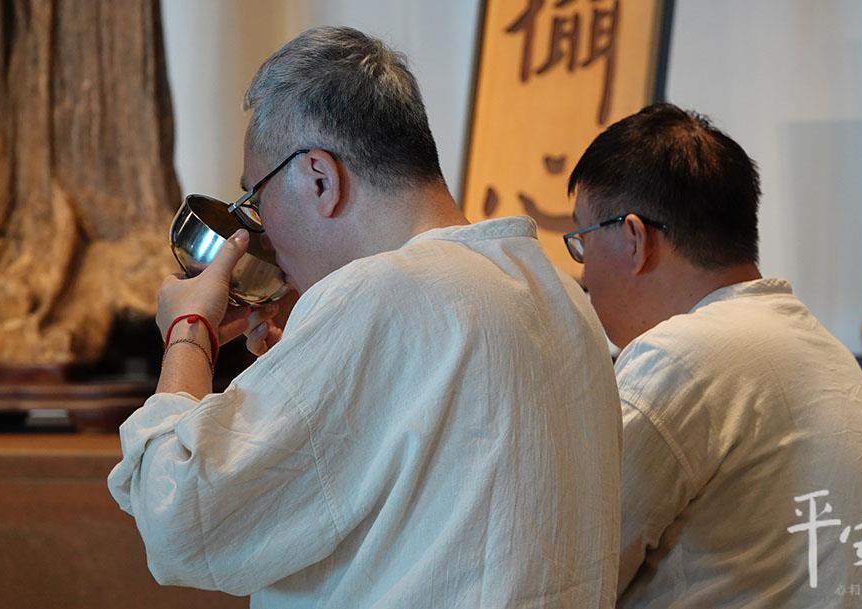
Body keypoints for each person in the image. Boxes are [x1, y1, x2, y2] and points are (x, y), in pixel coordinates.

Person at [107, 27, 622, 608]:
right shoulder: (560, 296)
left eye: (257, 201)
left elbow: (180, 520)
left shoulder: (380, 294)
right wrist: (302, 361)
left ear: (320, 178)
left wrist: (189, 333)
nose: (262, 231)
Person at [564, 103, 862, 608]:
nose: (583, 275)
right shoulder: (820, 347)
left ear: (634, 237)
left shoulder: (680, 357)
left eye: (582, 241)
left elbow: (570, 573)